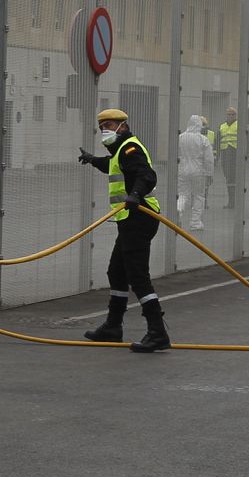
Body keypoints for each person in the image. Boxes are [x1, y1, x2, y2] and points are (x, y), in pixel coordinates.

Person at [76, 108, 172, 352]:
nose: (104, 130)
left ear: (122, 125)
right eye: (101, 127)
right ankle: (113, 326)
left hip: (140, 217)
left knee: (137, 275)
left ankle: (157, 332)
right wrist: (92, 159)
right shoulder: (120, 150)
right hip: (129, 219)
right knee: (116, 272)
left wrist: (136, 194)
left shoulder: (130, 147)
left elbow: (147, 174)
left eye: (108, 125)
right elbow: (113, 165)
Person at [176, 114, 214, 231]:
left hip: (183, 169)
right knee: (199, 196)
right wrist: (209, 173)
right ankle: (195, 222)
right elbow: (209, 159)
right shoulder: (203, 139)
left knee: (183, 194)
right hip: (198, 170)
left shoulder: (180, 137)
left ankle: (178, 211)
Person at [215, 107, 241, 208]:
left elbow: (245, 140)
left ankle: (234, 201)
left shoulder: (239, 125)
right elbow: (217, 141)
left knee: (234, 178)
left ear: (235, 115)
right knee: (228, 178)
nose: (230, 116)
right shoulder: (222, 126)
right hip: (225, 154)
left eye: (232, 114)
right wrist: (216, 156)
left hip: (235, 154)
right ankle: (231, 201)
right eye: (229, 114)